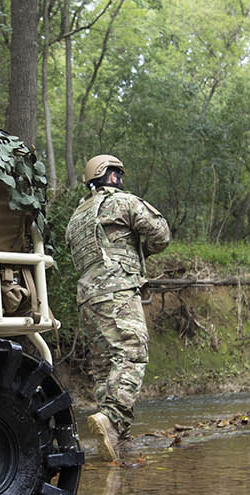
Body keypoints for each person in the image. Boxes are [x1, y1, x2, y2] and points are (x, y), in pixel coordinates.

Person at [65, 154, 170, 460]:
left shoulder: (76, 216)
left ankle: (115, 439)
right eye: (118, 174)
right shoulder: (122, 202)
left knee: (104, 367)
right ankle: (113, 421)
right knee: (132, 353)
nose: (120, 179)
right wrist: (142, 250)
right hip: (118, 289)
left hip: (88, 297)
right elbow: (161, 234)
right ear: (111, 176)